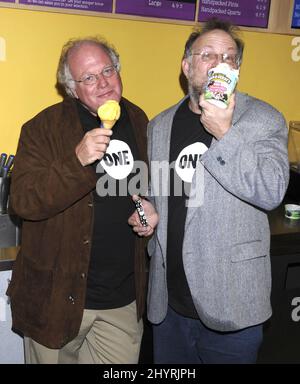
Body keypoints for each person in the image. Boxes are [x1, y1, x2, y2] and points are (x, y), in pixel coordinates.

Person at [129, 18, 289, 364]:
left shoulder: (263, 118)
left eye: (229, 57)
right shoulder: (160, 125)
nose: (219, 64)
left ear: (237, 70)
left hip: (232, 306)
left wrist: (225, 133)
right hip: (169, 305)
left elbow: (272, 191)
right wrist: (152, 211)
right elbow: (164, 192)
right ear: (187, 66)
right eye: (208, 55)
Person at [7, 36, 149, 364]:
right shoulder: (43, 128)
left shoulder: (138, 119)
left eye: (108, 70)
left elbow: (138, 190)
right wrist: (76, 160)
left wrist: (145, 210)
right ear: (72, 88)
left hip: (122, 300)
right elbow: (23, 202)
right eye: (88, 77)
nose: (103, 83)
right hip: (57, 298)